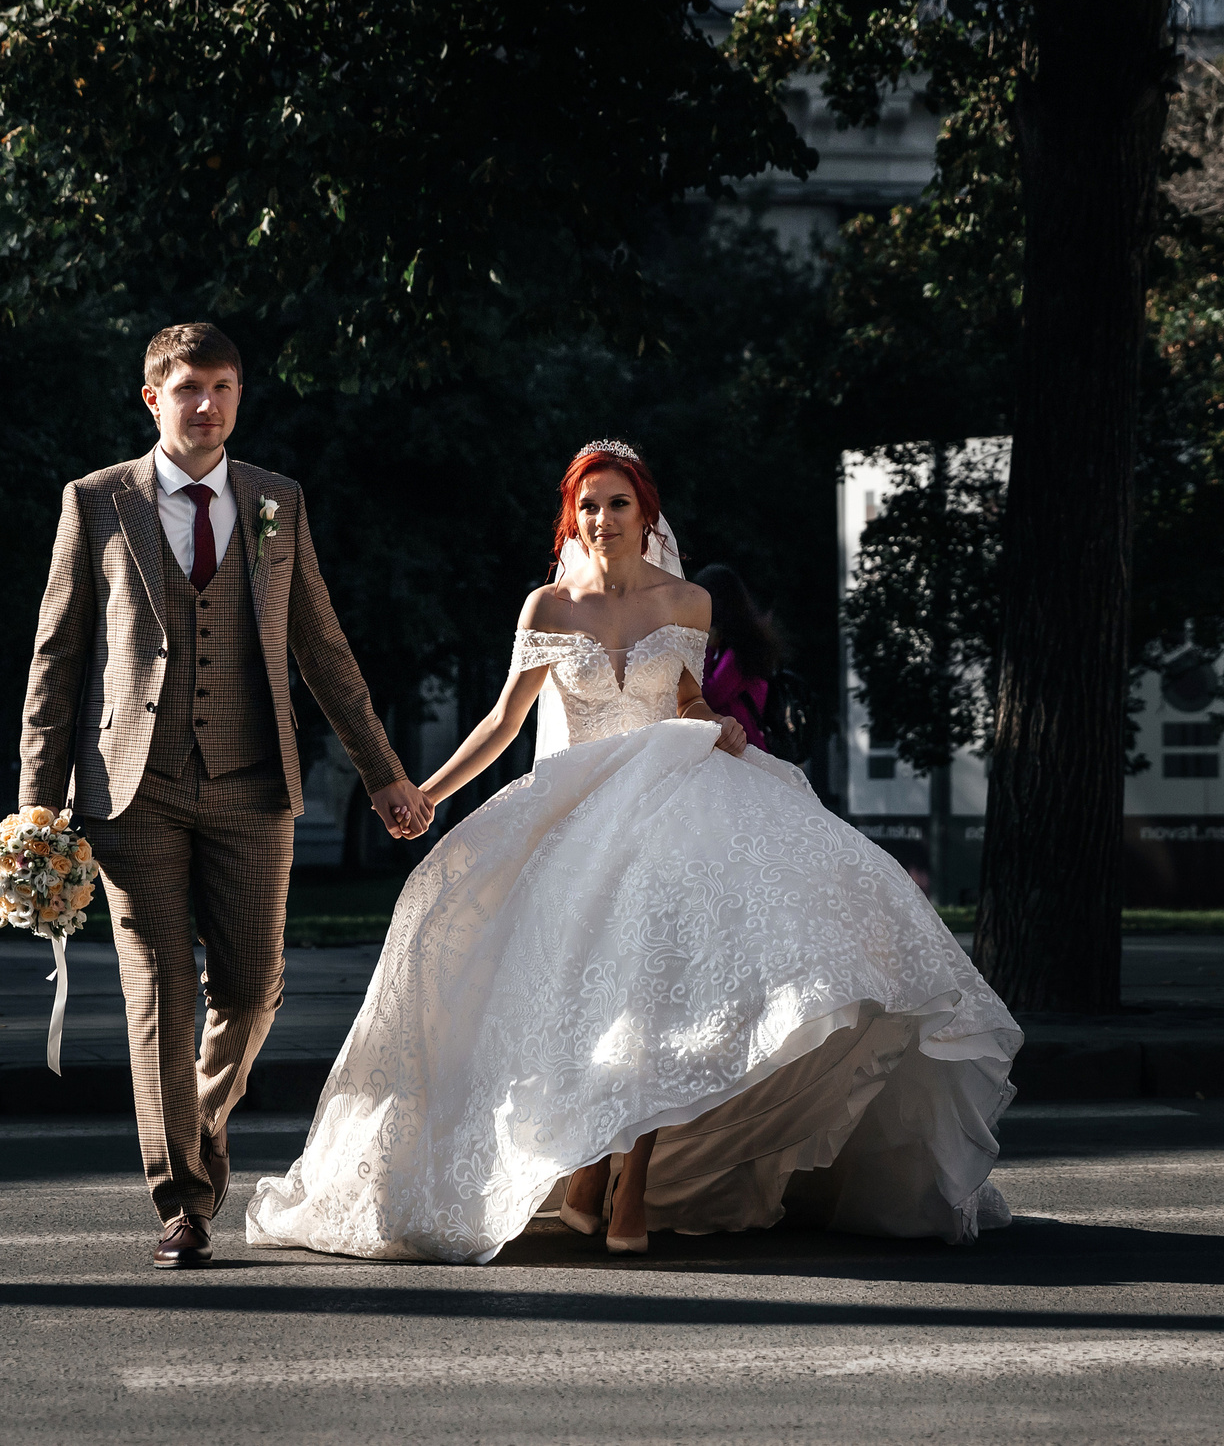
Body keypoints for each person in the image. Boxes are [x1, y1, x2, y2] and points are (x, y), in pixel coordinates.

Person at [247, 440, 1020, 1263]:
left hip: (668, 808)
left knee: (654, 987)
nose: (602, 519)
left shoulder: (686, 603)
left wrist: (716, 721)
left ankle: (631, 1183)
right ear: (570, 518)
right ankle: (589, 1179)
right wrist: (427, 791)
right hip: (578, 814)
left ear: (645, 514)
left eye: (617, 503)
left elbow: (684, 699)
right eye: (588, 505)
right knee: (589, 996)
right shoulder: (547, 607)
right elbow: (506, 722)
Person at [19, 322, 431, 1272]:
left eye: (225, 386)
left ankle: (194, 1121)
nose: (207, 404)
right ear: (152, 399)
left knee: (251, 991)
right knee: (160, 988)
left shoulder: (278, 502)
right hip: (135, 789)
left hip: (253, 783)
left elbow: (322, 648)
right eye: (189, 387)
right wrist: (36, 807)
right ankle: (184, 1199)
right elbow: (58, 659)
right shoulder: (96, 505)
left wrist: (383, 773)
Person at [693, 563, 779, 755]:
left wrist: (707, 648)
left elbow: (710, 696)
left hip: (742, 750)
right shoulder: (740, 645)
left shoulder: (738, 651)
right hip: (736, 747)